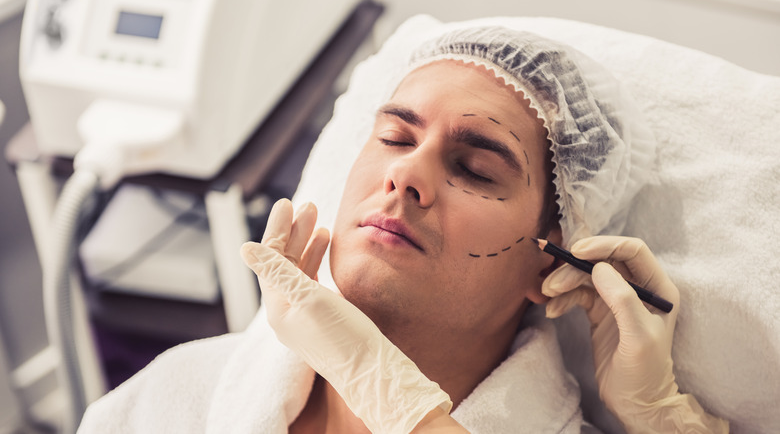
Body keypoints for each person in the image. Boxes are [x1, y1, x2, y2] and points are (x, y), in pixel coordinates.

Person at [77, 25, 728, 433]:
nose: (406, 175)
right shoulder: (179, 396)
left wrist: (667, 421)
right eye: (393, 136)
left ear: (549, 260)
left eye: (475, 167)